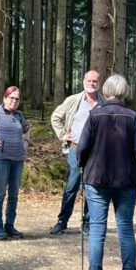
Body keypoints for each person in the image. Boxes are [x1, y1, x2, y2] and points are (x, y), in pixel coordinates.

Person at [76, 75, 136, 270]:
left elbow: (82, 148)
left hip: (97, 179)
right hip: (126, 180)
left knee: (97, 230)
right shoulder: (132, 116)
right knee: (125, 230)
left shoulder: (95, 114)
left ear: (106, 91)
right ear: (124, 92)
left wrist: (82, 165)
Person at [49, 70, 102, 235]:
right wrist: (62, 135)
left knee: (91, 187)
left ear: (99, 84)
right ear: (83, 81)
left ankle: (87, 223)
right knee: (71, 186)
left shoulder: (104, 103)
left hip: (96, 153)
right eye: (89, 81)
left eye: (94, 81)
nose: (91, 84)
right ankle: (62, 221)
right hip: (75, 149)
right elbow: (56, 117)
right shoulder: (74, 100)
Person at [0, 86, 30, 240]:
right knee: (0, 194)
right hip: (2, 159)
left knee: (14, 194)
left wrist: (26, 142)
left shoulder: (19, 115)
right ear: (4, 98)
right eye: (11, 98)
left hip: (18, 160)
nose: (14, 101)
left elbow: (27, 128)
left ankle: (10, 226)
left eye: (17, 99)